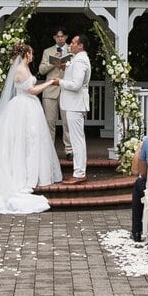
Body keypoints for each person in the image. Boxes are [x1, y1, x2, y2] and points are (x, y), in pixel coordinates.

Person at [0, 43, 63, 214]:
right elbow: (31, 90)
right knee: (22, 141)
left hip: (29, 107)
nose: (33, 56)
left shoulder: (24, 67)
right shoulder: (20, 70)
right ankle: (22, 176)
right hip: (23, 107)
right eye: (32, 53)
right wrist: (49, 83)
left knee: (31, 141)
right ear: (26, 53)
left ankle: (31, 174)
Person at [58, 33, 92, 183]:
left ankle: (79, 173)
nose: (70, 44)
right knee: (76, 139)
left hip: (76, 104)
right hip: (74, 104)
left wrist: (59, 82)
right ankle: (78, 172)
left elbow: (76, 85)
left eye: (72, 42)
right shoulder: (77, 59)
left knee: (77, 140)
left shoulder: (80, 61)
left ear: (80, 46)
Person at [37, 27, 72, 158]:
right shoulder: (48, 51)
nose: (60, 38)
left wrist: (65, 65)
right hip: (50, 90)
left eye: (62, 36)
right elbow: (41, 70)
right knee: (49, 122)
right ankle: (49, 151)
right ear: (54, 38)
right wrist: (54, 63)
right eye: (57, 36)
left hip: (66, 90)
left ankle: (69, 150)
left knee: (67, 122)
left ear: (66, 37)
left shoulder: (71, 50)